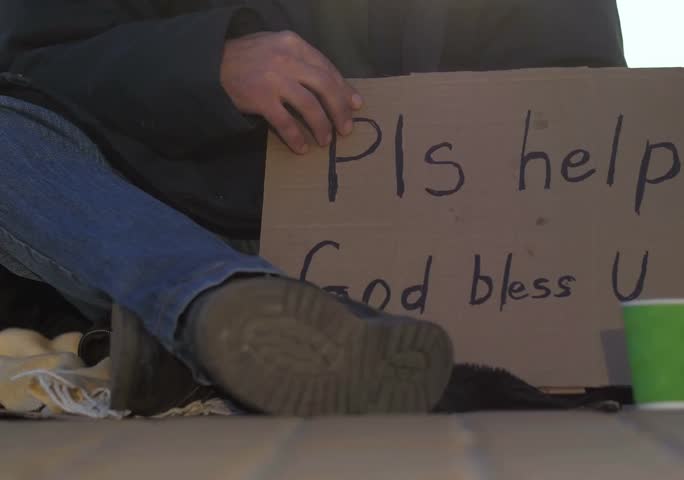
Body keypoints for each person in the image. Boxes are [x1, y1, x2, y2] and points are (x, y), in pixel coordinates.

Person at [0, 1, 629, 415]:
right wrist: (205, 63)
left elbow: (589, 96)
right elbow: (35, 65)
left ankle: (196, 333)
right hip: (149, 221)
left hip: (450, 264)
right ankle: (217, 309)